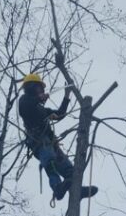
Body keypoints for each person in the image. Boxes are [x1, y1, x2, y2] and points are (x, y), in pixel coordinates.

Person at [18, 73, 97, 201]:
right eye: (39, 88)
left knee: (69, 169)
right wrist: (39, 98)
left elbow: (60, 114)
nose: (41, 90)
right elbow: (25, 108)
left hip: (51, 143)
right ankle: (57, 187)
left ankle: (77, 190)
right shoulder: (24, 100)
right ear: (31, 86)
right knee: (50, 161)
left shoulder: (41, 109)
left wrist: (66, 96)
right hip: (39, 142)